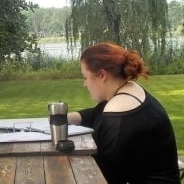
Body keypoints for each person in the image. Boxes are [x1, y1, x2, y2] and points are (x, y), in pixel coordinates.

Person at [67, 42, 180, 183]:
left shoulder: (118, 117)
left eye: (85, 77)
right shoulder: (129, 91)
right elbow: (96, 113)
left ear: (102, 75)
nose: (85, 84)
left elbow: (99, 175)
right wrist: (68, 118)